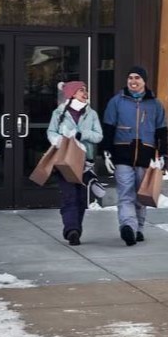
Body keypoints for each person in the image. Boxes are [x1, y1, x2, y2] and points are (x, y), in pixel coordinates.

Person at [101, 66, 168, 246]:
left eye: (137, 77)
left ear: (144, 81)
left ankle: (138, 228)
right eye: (130, 77)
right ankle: (128, 227)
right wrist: (106, 150)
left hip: (146, 155)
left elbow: (162, 132)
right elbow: (108, 128)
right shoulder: (117, 102)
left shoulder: (155, 104)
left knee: (141, 195)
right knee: (125, 194)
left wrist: (163, 154)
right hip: (122, 154)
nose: (133, 81)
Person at [46, 81, 104, 246]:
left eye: (85, 90)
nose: (85, 93)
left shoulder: (91, 114)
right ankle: (72, 230)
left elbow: (98, 136)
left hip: (85, 163)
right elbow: (51, 131)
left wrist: (81, 134)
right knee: (69, 196)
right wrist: (59, 140)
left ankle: (76, 228)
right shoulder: (59, 113)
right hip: (65, 161)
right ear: (71, 94)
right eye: (81, 90)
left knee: (80, 199)